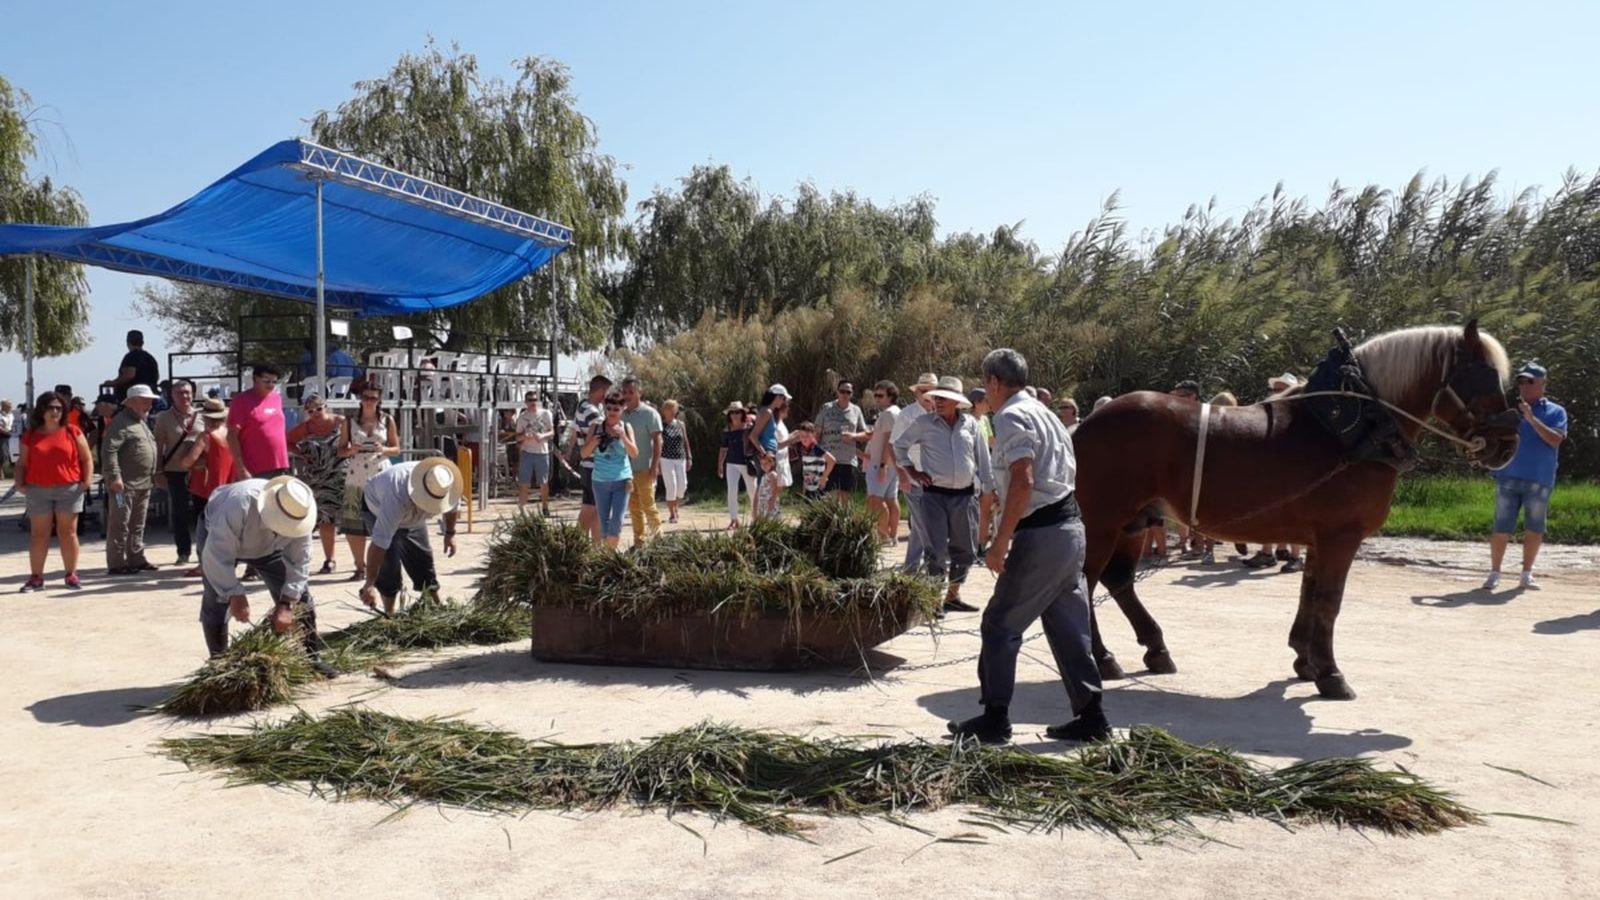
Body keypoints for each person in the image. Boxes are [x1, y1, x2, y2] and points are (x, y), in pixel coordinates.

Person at [947, 348, 1108, 745]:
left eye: (986, 383)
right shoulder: (1047, 414)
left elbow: (1023, 481)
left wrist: (999, 543)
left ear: (995, 383)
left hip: (1042, 534)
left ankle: (995, 718)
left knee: (1000, 624)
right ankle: (1092, 717)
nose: (986, 391)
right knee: (1070, 628)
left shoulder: (1012, 416)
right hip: (1070, 530)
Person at [197, 475, 335, 677]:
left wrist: (287, 604)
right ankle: (220, 664)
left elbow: (300, 562)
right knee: (216, 599)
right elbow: (216, 557)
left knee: (302, 599)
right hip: (221, 539)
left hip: (270, 550)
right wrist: (234, 594)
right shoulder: (238, 505)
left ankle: (311, 658)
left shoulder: (301, 510)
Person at [893, 376, 994, 615]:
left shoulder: (971, 425)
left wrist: (989, 488)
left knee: (965, 549)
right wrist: (910, 470)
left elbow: (983, 459)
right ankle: (933, 599)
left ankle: (952, 595)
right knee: (936, 549)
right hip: (934, 496)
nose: (937, 401)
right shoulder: (923, 423)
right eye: (936, 397)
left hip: (965, 496)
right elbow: (899, 445)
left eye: (943, 398)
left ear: (956, 402)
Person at [1484, 362, 1569, 590]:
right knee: (1501, 527)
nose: (1524, 386)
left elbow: (1555, 439)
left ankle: (1526, 573)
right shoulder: (1508, 412)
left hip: (1539, 480)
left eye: (1529, 381)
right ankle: (1494, 573)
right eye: (1521, 381)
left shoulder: (1556, 411)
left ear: (1542, 384)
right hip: (1507, 477)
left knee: (1534, 528)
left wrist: (1531, 419)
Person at [357, 458, 463, 614]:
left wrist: (450, 533)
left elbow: (452, 509)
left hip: (412, 517)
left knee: (422, 557)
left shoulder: (446, 484)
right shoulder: (396, 498)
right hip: (377, 508)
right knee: (389, 562)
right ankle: (389, 614)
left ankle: (437, 608)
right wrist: (369, 583)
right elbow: (379, 544)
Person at [15, 391, 94, 591]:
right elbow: (22, 463)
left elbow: (86, 458)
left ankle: (71, 575)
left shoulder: (73, 431)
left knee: (68, 533)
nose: (55, 412)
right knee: (39, 534)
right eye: (51, 407)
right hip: (37, 489)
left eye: (59, 408)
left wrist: (86, 482)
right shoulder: (30, 435)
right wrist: (19, 483)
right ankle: (36, 577)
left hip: (69, 488)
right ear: (41, 409)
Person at [336, 381, 397, 584]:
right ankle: (359, 566)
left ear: (379, 399)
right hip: (356, 476)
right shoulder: (349, 421)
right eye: (366, 397)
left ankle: (381, 565)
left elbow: (396, 448)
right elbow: (341, 449)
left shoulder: (387, 420)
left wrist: (384, 449)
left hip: (380, 474)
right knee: (354, 525)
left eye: (373, 398)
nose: (369, 401)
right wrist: (351, 450)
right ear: (360, 399)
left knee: (384, 522)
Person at [287, 393, 348, 574]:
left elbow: (356, 439)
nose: (315, 413)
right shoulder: (305, 428)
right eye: (310, 411)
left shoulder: (340, 422)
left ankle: (361, 563)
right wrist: (302, 454)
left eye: (319, 409)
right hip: (319, 477)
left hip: (342, 473)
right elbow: (288, 441)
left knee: (353, 517)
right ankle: (330, 558)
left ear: (326, 407)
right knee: (325, 519)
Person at [103, 384, 160, 575]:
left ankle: (136, 558)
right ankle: (117, 563)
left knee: (137, 524)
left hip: (143, 483)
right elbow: (109, 451)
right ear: (132, 402)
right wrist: (114, 477)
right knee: (120, 524)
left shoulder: (139, 421)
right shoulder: (121, 422)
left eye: (151, 400)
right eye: (145, 400)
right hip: (124, 486)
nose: (150, 404)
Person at [177, 398, 234, 577]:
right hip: (229, 487)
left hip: (207, 489)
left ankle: (204, 564)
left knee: (204, 528)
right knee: (225, 528)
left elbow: (188, 461)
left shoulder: (206, 436)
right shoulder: (230, 433)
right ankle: (225, 562)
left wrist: (191, 464)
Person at [891, 373, 939, 573]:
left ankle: (911, 568)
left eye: (931, 390)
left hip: (936, 477)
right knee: (922, 523)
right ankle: (924, 566)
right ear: (917, 393)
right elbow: (894, 445)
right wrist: (901, 474)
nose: (927, 395)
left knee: (922, 525)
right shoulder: (907, 415)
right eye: (924, 391)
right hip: (913, 476)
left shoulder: (941, 413)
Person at [153, 380, 205, 566]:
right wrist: (158, 471)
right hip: (175, 471)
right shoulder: (163, 418)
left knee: (203, 513)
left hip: (200, 472)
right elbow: (158, 446)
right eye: (180, 393)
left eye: (188, 392)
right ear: (171, 396)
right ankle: (183, 552)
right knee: (179, 513)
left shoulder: (203, 416)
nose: (185, 396)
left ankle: (204, 553)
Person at [581, 389, 638, 548]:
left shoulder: (626, 427)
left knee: (617, 523)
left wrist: (623, 437)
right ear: (604, 408)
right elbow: (584, 454)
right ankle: (607, 557)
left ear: (623, 408)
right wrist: (594, 442)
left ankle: (610, 556)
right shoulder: (595, 427)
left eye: (616, 409)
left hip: (622, 480)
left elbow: (634, 454)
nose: (612, 413)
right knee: (603, 523)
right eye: (609, 409)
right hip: (600, 481)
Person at [619, 376, 664, 546]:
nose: (627, 395)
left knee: (648, 506)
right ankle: (639, 542)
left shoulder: (650, 414)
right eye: (624, 392)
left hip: (645, 468)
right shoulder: (621, 414)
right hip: (626, 470)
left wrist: (655, 466)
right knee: (634, 508)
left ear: (639, 392)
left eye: (631, 392)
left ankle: (659, 541)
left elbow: (658, 440)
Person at [228, 363, 290, 480]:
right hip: (254, 469)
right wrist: (241, 468)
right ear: (256, 379)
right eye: (267, 381)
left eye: (274, 382)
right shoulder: (241, 400)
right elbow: (231, 435)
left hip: (280, 466)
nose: (271, 385)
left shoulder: (277, 398)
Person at [570, 375, 612, 542]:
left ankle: (596, 544)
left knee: (594, 508)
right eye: (606, 391)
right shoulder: (592, 412)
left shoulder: (583, 406)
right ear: (600, 391)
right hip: (594, 464)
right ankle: (576, 542)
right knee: (591, 507)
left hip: (588, 465)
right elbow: (601, 436)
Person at [815, 380, 870, 501]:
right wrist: (816, 454)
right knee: (826, 495)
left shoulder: (856, 410)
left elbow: (866, 434)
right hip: (828, 459)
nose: (845, 394)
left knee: (844, 494)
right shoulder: (826, 408)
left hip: (848, 460)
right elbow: (817, 433)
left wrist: (853, 436)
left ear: (852, 394)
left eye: (848, 392)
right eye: (842, 391)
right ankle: (826, 519)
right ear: (837, 392)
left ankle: (843, 519)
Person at [863, 381, 902, 544]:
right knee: (891, 499)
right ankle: (893, 536)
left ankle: (883, 535)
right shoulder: (897, 412)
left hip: (881, 462)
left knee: (875, 499)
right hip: (893, 464)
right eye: (875, 395)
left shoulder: (887, 414)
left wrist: (882, 465)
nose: (877, 398)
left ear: (890, 396)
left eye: (880, 395)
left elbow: (888, 440)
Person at [746, 384, 792, 515]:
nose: (784, 402)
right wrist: (764, 453)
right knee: (764, 484)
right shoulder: (766, 412)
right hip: (766, 452)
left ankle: (765, 515)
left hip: (770, 451)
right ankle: (758, 517)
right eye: (783, 399)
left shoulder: (771, 412)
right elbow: (753, 436)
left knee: (767, 485)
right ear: (777, 397)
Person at [512, 391, 556, 516]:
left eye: (535, 400)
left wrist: (542, 435)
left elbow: (552, 432)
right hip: (527, 452)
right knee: (524, 482)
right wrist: (524, 436)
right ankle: (523, 508)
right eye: (530, 400)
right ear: (526, 403)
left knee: (543, 482)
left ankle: (545, 507)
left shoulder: (545, 413)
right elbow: (517, 437)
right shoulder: (522, 417)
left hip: (542, 452)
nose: (533, 403)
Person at [717, 402, 756, 528]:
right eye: (732, 412)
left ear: (742, 413)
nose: (734, 415)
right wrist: (720, 465)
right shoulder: (727, 430)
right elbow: (723, 448)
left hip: (746, 463)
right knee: (732, 491)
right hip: (731, 463)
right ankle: (734, 519)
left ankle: (756, 517)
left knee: (752, 490)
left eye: (737, 412)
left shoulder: (749, 427)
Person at [969, 387, 997, 553]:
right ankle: (971, 545)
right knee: (973, 509)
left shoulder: (985, 420)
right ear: (976, 403)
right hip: (972, 469)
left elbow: (991, 442)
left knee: (986, 506)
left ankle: (981, 545)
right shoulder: (966, 420)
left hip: (986, 467)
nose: (989, 404)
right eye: (986, 401)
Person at [659, 399, 692, 524]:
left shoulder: (680, 424)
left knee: (682, 485)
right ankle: (672, 513)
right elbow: (657, 443)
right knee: (671, 486)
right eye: (669, 408)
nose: (671, 411)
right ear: (664, 411)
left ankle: (675, 506)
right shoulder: (661, 425)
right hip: (666, 458)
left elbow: (685, 441)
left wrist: (689, 457)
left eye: (673, 408)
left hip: (680, 457)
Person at [785, 421, 836, 500]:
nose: (804, 438)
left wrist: (824, 477)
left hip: (818, 486)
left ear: (813, 435)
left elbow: (832, 460)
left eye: (807, 436)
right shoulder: (804, 449)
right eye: (802, 436)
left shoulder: (816, 448)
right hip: (809, 485)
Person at [108, 329, 161, 404]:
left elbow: (129, 375)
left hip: (132, 399)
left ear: (128, 342)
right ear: (142, 342)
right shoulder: (150, 358)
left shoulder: (131, 357)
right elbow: (157, 376)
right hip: (150, 397)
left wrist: (113, 383)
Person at [0, 398, 13, 479]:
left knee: (5, 455)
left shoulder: (11, 415)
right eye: (9, 405)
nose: (11, 407)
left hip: (8, 435)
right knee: (3, 454)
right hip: (2, 435)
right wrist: (5, 431)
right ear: (3, 406)